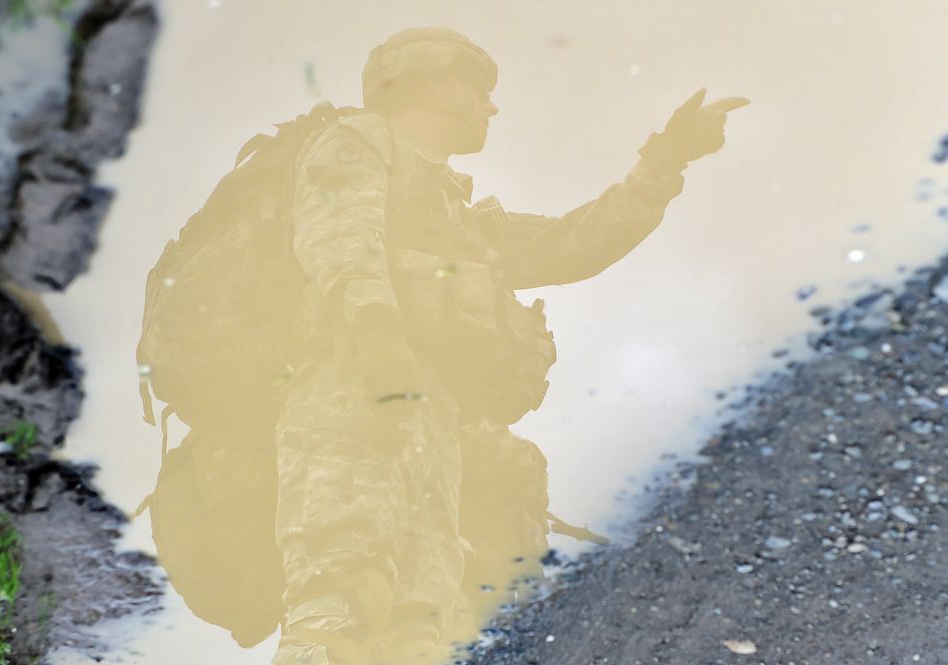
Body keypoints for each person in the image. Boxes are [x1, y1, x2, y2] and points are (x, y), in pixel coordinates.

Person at [270, 27, 748, 665]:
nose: (489, 107)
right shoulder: (358, 140)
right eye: (476, 89)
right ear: (431, 80)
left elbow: (572, 243)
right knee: (341, 607)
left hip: (431, 422)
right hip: (352, 392)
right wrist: (376, 335)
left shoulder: (460, 218)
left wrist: (662, 166)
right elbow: (339, 235)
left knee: (421, 632)